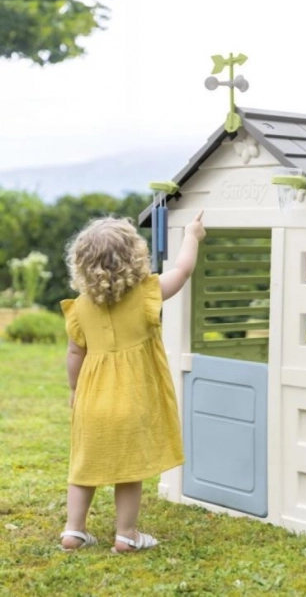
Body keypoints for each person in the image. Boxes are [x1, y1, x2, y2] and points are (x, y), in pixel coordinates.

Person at [59, 212, 205, 553]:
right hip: (133, 400)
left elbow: (73, 354)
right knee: (129, 468)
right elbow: (183, 270)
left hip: (92, 402)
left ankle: (73, 531)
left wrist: (74, 390)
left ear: (82, 265)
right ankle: (126, 535)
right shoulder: (146, 294)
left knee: (83, 466)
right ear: (134, 257)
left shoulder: (80, 308)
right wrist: (192, 236)